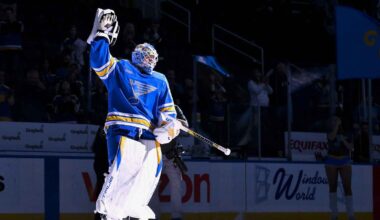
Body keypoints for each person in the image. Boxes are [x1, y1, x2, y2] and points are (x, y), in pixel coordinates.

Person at [87, 9, 181, 220]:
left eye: (152, 57)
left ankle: (130, 213)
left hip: (149, 136)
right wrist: (101, 36)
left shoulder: (160, 79)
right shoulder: (121, 67)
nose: (149, 59)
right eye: (145, 56)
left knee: (146, 180)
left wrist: (169, 128)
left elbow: (168, 112)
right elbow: (99, 62)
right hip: (122, 130)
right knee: (121, 174)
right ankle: (106, 213)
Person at [153, 105, 188, 220]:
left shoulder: (174, 108)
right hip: (153, 154)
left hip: (170, 154)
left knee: (176, 184)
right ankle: (154, 216)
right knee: (151, 187)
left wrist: (175, 122)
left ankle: (177, 216)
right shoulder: (151, 106)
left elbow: (186, 125)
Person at [324, 116, 355, 220]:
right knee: (332, 187)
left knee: (347, 187)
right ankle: (334, 213)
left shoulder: (348, 132)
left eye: (337, 120)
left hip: (344, 159)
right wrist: (336, 126)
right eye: (333, 121)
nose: (335, 121)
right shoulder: (329, 131)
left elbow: (351, 147)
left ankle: (350, 214)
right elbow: (331, 137)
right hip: (331, 160)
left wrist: (343, 140)